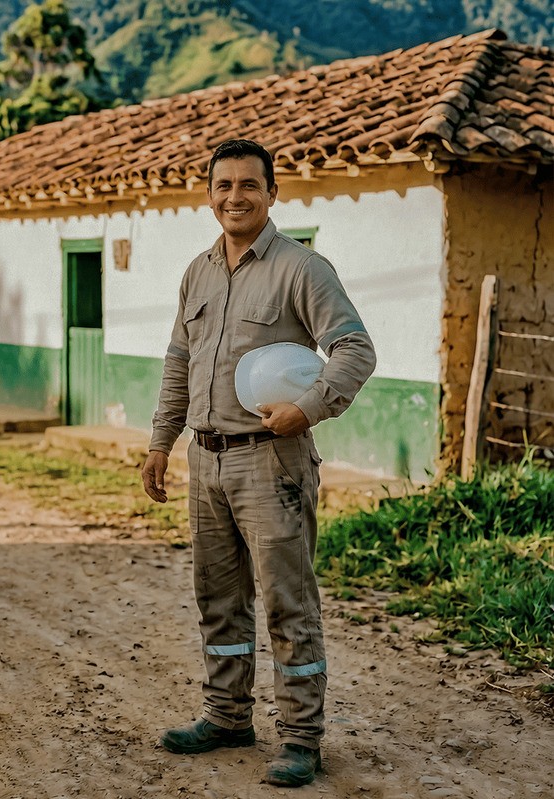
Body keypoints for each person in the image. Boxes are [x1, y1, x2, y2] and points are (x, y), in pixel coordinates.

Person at [142, 138, 376, 787]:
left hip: (272, 461)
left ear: (272, 193)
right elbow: (177, 362)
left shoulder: (303, 268)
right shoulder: (196, 271)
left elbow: (354, 349)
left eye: (249, 185)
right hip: (206, 458)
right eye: (223, 186)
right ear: (209, 193)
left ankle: (300, 738)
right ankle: (226, 716)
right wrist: (161, 441)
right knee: (217, 597)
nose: (234, 197)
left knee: (286, 601)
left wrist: (308, 408)